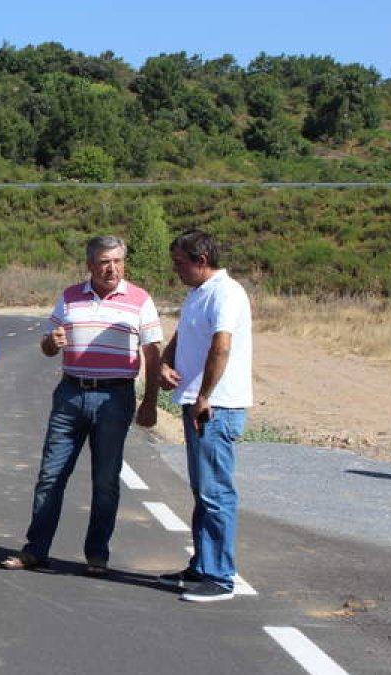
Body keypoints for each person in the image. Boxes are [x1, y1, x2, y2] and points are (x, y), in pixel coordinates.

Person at [0, 236, 161, 575]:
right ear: (90, 264)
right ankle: (36, 550)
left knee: (105, 479)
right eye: (104, 261)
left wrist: (150, 402)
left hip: (116, 398)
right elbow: (47, 347)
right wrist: (50, 342)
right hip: (70, 395)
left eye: (117, 261)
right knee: (51, 475)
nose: (111, 268)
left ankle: (97, 554)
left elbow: (152, 353)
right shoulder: (69, 297)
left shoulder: (140, 300)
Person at [157, 229, 253, 602]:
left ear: (200, 261)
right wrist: (166, 363)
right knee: (203, 490)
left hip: (216, 406)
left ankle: (220, 576)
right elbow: (183, 338)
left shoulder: (226, 294)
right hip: (200, 402)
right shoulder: (197, 294)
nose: (176, 270)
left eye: (180, 263)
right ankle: (202, 565)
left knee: (215, 492)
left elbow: (221, 346)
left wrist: (204, 395)